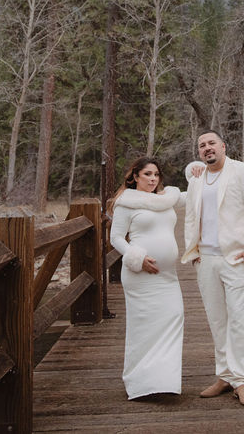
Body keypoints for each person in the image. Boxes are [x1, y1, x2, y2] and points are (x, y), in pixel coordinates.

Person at [181, 130, 244, 407]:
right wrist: (193, 252)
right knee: (217, 320)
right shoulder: (197, 179)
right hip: (206, 259)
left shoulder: (242, 171)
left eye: (211, 143)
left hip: (237, 258)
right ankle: (224, 376)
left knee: (239, 320)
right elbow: (191, 217)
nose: (207, 148)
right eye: (202, 145)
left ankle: (241, 380)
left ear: (223, 146)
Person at [109, 156, 186, 399]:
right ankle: (142, 384)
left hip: (167, 276)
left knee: (175, 316)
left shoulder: (166, 199)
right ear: (134, 177)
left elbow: (197, 195)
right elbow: (117, 238)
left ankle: (164, 381)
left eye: (156, 175)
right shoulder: (126, 203)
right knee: (143, 329)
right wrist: (137, 257)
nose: (153, 179)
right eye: (147, 174)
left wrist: (196, 172)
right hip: (140, 276)